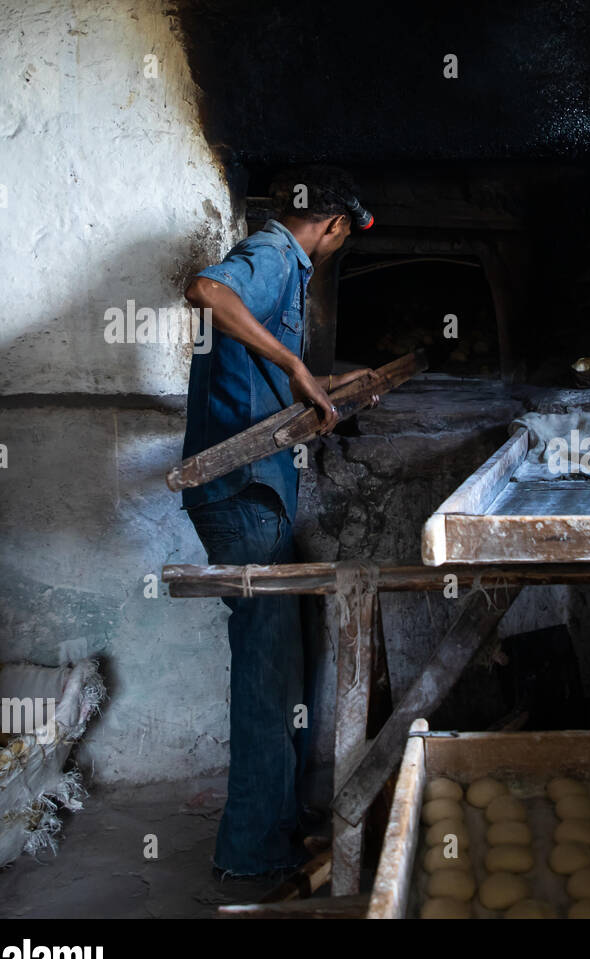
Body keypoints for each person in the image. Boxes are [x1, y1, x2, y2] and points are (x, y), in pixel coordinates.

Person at [180, 166, 375, 878]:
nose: (335, 248)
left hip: (260, 485)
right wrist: (296, 363)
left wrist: (314, 403)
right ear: (332, 226)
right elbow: (205, 291)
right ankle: (253, 857)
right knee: (267, 677)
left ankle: (279, 828)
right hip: (238, 489)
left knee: (281, 668)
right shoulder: (273, 253)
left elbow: (249, 371)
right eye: (342, 238)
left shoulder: (286, 269)